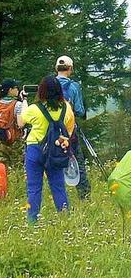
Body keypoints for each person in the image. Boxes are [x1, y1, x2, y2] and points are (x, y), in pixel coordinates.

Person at [20, 74, 75, 223]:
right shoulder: (66, 107)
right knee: (58, 186)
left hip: (35, 149)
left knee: (34, 188)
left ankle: (32, 222)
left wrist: (23, 100)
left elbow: (20, 122)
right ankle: (65, 219)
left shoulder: (34, 108)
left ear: (41, 90)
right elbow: (70, 128)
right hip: (56, 150)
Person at [55, 55, 90, 199]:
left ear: (56, 68)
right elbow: (80, 111)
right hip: (70, 132)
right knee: (78, 162)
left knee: (54, 163)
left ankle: (59, 197)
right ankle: (84, 196)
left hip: (52, 132)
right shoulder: (74, 87)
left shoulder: (47, 84)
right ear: (70, 69)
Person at [0, 79, 24, 167]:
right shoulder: (18, 104)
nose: (18, 90)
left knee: (2, 165)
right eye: (16, 88)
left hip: (0, 139)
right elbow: (20, 124)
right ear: (10, 90)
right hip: (15, 141)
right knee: (17, 165)